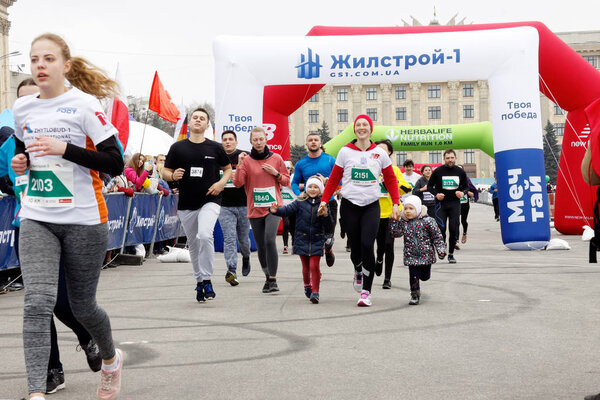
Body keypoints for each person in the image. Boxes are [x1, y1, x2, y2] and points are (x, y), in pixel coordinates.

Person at [11, 33, 125, 400]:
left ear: (66, 65)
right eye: (34, 60)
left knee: (83, 307)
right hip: (37, 215)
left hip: (85, 219)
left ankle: (110, 359)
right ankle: (36, 392)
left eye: (48, 59)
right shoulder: (23, 110)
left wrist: (66, 149)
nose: (40, 65)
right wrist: (21, 163)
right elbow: (22, 154)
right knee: (38, 302)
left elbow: (114, 162)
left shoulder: (84, 105)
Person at [319, 114, 400, 307]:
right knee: (355, 248)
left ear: (370, 129)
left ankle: (366, 292)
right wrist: (324, 200)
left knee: (367, 245)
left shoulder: (379, 154)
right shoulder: (345, 151)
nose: (362, 127)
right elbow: (333, 179)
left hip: (371, 205)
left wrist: (396, 203)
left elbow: (390, 180)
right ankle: (357, 268)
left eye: (365, 125)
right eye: (358, 125)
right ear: (355, 129)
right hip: (350, 205)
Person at [162, 107, 232, 302]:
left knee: (204, 235)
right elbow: (164, 171)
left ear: (207, 124)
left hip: (210, 199)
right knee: (193, 244)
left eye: (202, 118)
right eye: (195, 117)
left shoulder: (215, 147)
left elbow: (228, 170)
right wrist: (172, 175)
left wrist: (220, 183)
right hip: (186, 202)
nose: (198, 120)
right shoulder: (178, 147)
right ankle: (199, 281)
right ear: (190, 123)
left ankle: (208, 279)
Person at [233, 126, 289, 293]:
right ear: (251, 141)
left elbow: (286, 181)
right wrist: (240, 164)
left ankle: (273, 279)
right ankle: (267, 276)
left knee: (270, 240)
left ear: (266, 139)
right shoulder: (247, 161)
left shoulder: (276, 158)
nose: (258, 142)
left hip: (274, 207)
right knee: (261, 246)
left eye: (261, 139)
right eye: (255, 139)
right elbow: (237, 183)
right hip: (255, 208)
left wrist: (276, 174)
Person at [270, 176, 333, 303]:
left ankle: (315, 292)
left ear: (320, 190)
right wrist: (276, 210)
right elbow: (287, 210)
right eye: (310, 186)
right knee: (305, 267)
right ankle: (307, 285)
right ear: (306, 188)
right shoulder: (300, 201)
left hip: (316, 239)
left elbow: (329, 225)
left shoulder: (323, 204)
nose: (312, 189)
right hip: (301, 238)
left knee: (314, 266)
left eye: (316, 187)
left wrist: (325, 214)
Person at [291, 132, 337, 266]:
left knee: (328, 237)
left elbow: (340, 178)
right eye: (310, 140)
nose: (313, 142)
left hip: (329, 202)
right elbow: (294, 183)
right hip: (308, 204)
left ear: (320, 143)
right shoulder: (301, 163)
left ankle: (328, 250)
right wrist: (297, 193)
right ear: (306, 144)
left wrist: (327, 180)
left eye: (316, 140)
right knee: (312, 236)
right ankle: (314, 267)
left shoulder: (330, 160)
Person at [391, 195, 446, 305]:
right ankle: (415, 294)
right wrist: (394, 222)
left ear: (418, 209)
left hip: (426, 255)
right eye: (405, 208)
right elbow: (396, 233)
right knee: (413, 275)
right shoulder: (403, 222)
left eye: (411, 209)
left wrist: (440, 249)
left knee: (425, 277)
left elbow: (437, 236)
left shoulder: (428, 221)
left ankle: (423, 277)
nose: (407, 211)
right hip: (411, 255)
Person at [374, 139, 411, 289]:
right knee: (379, 246)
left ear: (389, 152)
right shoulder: (371, 168)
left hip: (392, 212)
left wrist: (393, 182)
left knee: (389, 244)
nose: (381, 151)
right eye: (378, 149)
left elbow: (406, 187)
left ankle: (387, 278)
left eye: (384, 149)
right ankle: (378, 259)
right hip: (375, 212)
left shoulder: (394, 170)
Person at [218, 129, 251, 285]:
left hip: (244, 204)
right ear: (222, 142)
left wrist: (240, 169)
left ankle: (246, 257)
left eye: (231, 139)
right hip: (224, 206)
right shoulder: (217, 157)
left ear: (236, 142)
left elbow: (253, 174)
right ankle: (231, 270)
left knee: (243, 240)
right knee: (229, 239)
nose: (228, 142)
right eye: (225, 139)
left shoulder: (245, 155)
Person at [428, 149, 468, 264]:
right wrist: (436, 194)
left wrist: (462, 193)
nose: (450, 160)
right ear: (444, 159)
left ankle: (451, 254)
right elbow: (430, 186)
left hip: (455, 204)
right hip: (441, 204)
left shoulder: (460, 172)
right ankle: (441, 248)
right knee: (441, 228)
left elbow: (466, 187)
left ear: (455, 158)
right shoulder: (438, 171)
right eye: (447, 158)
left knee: (453, 228)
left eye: (452, 158)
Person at [456, 165, 479, 247]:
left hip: (465, 203)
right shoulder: (452, 179)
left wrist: (470, 193)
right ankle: (456, 240)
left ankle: (464, 233)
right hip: (455, 203)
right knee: (456, 222)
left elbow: (473, 191)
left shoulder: (467, 179)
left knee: (463, 221)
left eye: (460, 169)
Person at [281, 160, 296, 254]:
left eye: (288, 168)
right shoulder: (280, 177)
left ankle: (294, 244)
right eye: (285, 168)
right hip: (284, 203)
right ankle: (285, 245)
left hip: (293, 203)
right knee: (285, 224)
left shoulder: (294, 176)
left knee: (293, 226)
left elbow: (293, 186)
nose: (287, 170)